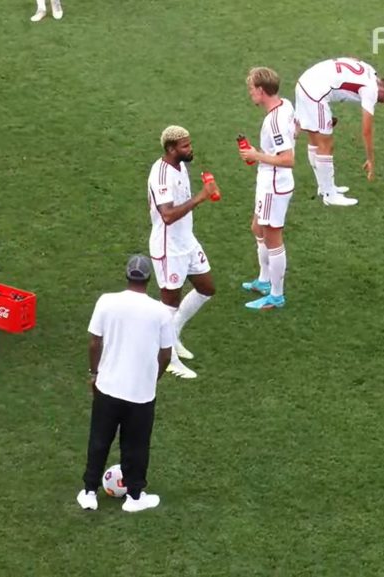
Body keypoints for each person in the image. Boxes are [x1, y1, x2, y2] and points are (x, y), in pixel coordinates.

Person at [77, 255, 172, 513]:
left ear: (127, 275)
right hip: (141, 393)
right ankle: (134, 496)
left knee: (99, 439)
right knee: (137, 444)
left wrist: (94, 372)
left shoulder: (107, 302)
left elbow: (94, 342)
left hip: (108, 386)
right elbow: (166, 355)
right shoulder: (161, 312)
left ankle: (89, 492)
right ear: (149, 279)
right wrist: (153, 377)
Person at [146, 126, 218, 379]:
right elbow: (167, 216)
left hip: (187, 242)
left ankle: (173, 335)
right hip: (169, 248)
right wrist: (201, 197)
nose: (190, 149)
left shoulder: (180, 166)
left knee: (207, 288)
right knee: (169, 304)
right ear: (170, 149)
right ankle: (169, 359)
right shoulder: (161, 175)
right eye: (185, 146)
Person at [295, 57, 384, 206]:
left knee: (315, 138)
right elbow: (367, 130)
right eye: (381, 101)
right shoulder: (371, 90)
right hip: (315, 94)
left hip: (305, 81)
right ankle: (330, 195)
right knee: (326, 144)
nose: (377, 102)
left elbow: (352, 59)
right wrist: (370, 159)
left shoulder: (370, 70)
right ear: (383, 93)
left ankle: (324, 187)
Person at [238, 67, 296, 310]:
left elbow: (288, 158)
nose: (250, 93)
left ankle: (276, 295)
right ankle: (264, 280)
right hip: (269, 181)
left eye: (252, 89)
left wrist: (257, 154)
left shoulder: (274, 121)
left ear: (262, 91)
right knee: (256, 227)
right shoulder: (285, 105)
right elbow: (296, 130)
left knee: (273, 238)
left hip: (274, 184)